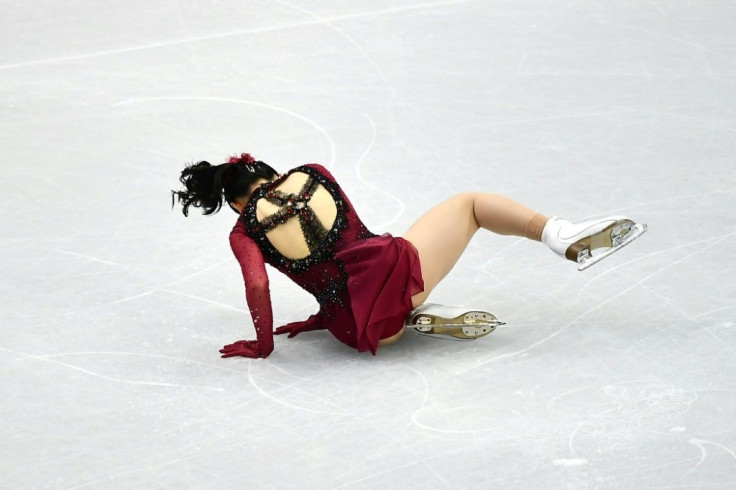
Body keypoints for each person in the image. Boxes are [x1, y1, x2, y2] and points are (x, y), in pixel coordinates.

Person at [172, 153, 646, 359]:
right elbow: (346, 249)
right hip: (396, 275)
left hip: (351, 328)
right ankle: (560, 235)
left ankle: (410, 319)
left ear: (233, 201)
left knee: (375, 306)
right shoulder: (312, 172)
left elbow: (264, 283)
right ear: (271, 172)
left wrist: (264, 344)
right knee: (471, 204)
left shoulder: (243, 231)